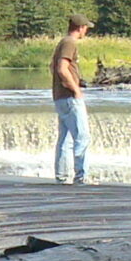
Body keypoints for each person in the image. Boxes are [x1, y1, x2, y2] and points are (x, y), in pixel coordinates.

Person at [50, 15, 92, 183]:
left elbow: (52, 67)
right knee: (82, 137)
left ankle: (62, 177)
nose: (86, 31)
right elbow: (61, 68)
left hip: (60, 96)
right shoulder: (70, 43)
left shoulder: (62, 42)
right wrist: (75, 89)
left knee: (65, 139)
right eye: (86, 27)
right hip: (69, 97)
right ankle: (82, 177)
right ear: (80, 27)